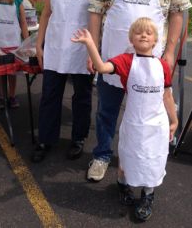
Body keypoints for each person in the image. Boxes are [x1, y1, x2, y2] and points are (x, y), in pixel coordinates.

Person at [86, 0, 191, 182]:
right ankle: (102, 155)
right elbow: (95, 12)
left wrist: (169, 52)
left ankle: (144, 160)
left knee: (146, 116)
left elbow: (178, 12)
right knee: (106, 112)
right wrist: (94, 52)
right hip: (113, 59)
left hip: (150, 64)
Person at [72, 17, 178, 221]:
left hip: (157, 124)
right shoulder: (126, 61)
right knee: (129, 156)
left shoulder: (162, 65)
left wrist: (174, 120)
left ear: (155, 40)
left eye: (148, 32)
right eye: (139, 32)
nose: (144, 35)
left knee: (153, 159)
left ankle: (148, 195)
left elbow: (167, 95)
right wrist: (90, 44)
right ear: (132, 39)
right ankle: (123, 184)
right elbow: (102, 68)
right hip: (134, 123)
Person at [32, 0, 99, 162]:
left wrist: (95, 52)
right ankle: (45, 139)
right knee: (50, 95)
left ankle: (78, 138)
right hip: (56, 46)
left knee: (81, 96)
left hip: (83, 49)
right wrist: (39, 45)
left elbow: (101, 17)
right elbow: (46, 13)